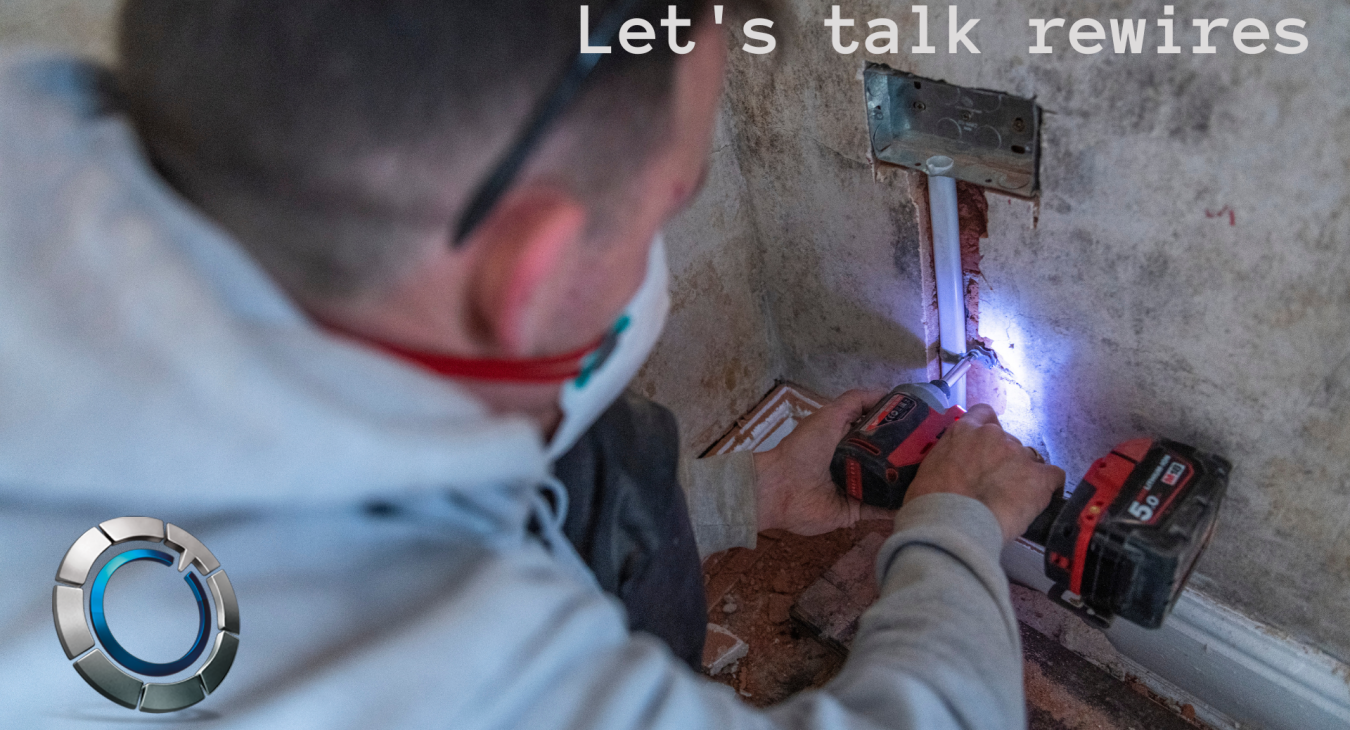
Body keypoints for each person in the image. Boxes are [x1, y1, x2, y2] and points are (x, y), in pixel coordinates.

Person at [0, 1, 1064, 728]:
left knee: (614, 449)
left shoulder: (42, 140)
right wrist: (954, 526)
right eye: (672, 198)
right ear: (533, 266)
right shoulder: (420, 665)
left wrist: (749, 494)